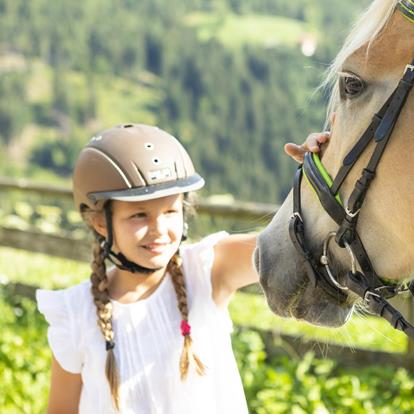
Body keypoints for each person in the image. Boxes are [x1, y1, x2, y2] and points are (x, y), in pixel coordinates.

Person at [36, 124, 329, 414]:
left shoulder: (207, 270)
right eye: (139, 215)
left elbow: (288, 243)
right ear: (100, 222)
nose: (159, 230)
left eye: (170, 211)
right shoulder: (74, 314)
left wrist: (321, 173)